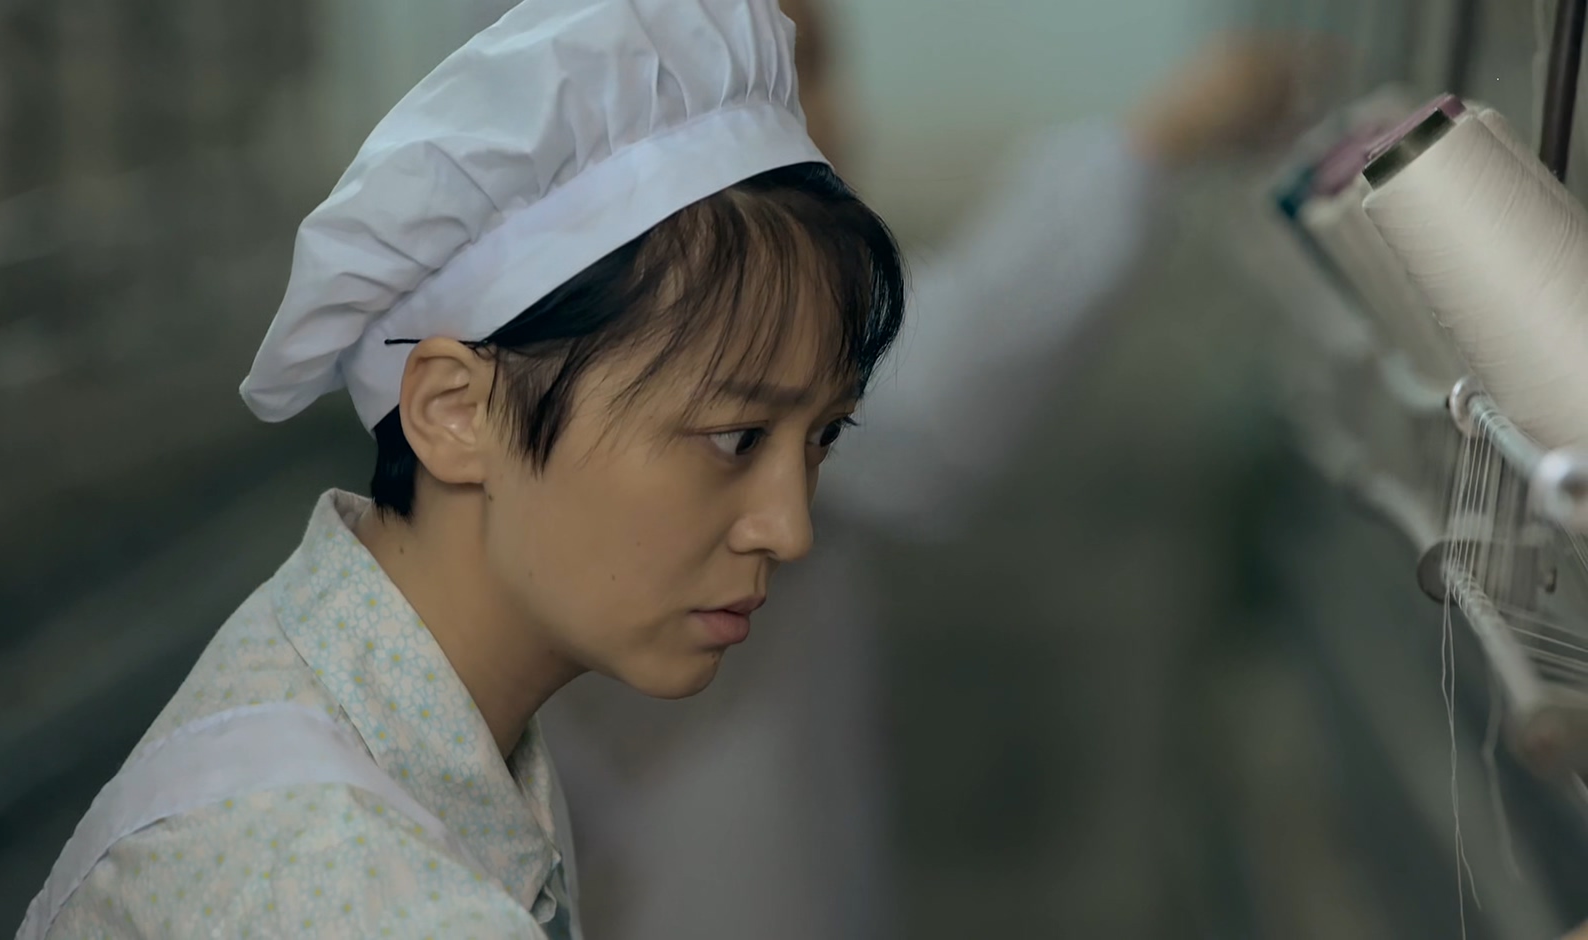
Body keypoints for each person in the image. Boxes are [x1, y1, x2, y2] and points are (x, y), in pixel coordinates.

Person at [16, 0, 906, 937]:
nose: (790, 528)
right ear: (453, 411)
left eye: (823, 436)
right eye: (736, 438)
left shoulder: (339, 709)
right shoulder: (356, 893)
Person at [535, 2, 1320, 938]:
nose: (840, 117)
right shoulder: (637, 345)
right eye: (793, 69)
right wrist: (1160, 141)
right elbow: (932, 397)